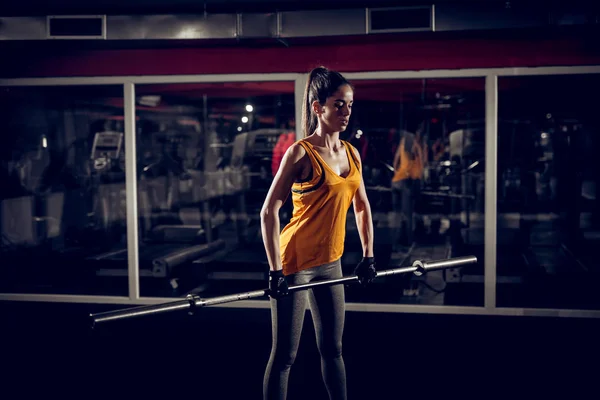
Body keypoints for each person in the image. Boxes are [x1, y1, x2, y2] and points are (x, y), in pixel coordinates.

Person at [260, 66, 377, 400]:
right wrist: (275, 270)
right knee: (285, 357)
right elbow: (269, 210)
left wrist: (369, 255)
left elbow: (362, 206)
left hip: (331, 261)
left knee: (334, 349)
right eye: (339, 104)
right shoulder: (301, 152)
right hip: (294, 263)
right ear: (317, 107)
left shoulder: (352, 153)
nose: (346, 112)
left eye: (350, 105)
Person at [391, 124, 425, 250]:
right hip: (409, 181)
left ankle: (397, 240)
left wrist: (398, 172)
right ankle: (409, 241)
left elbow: (395, 163)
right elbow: (422, 162)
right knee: (409, 213)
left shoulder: (403, 143)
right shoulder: (415, 144)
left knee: (398, 214)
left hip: (397, 180)